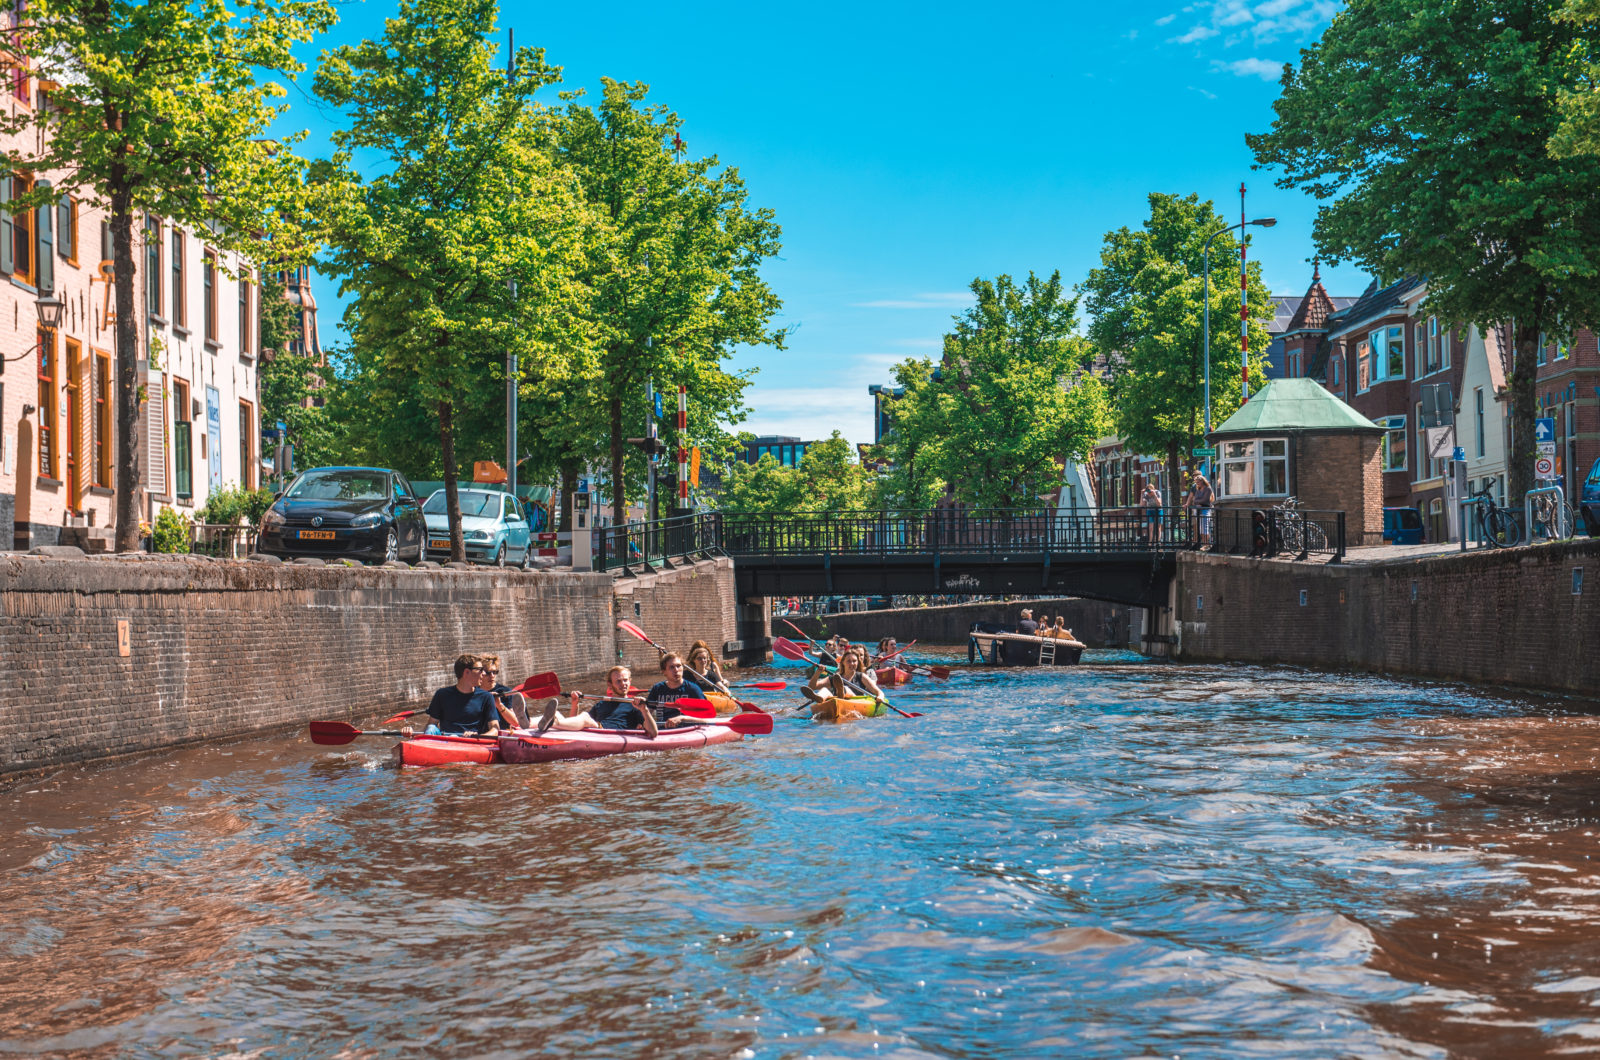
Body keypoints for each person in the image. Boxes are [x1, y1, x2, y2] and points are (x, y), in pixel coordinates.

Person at [539, 665, 658, 738]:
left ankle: (552, 723)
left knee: (585, 717)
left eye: (625, 680)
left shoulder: (635, 705)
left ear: (630, 681)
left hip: (608, 734)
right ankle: (526, 723)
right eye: (618, 681)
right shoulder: (602, 703)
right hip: (596, 731)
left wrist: (645, 710)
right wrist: (575, 703)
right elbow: (574, 725)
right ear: (610, 685)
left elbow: (653, 733)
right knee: (558, 714)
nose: (623, 684)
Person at [409, 655, 500, 737]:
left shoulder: (486, 697)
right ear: (467, 672)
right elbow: (430, 725)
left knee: (452, 736)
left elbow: (495, 730)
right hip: (446, 742)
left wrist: (478, 737)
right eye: (480, 670)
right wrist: (412, 733)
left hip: (471, 743)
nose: (484, 673)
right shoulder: (442, 694)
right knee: (431, 728)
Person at [476, 653, 527, 729]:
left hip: (503, 732)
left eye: (495, 672)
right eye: (488, 673)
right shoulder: (474, 692)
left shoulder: (505, 692)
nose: (492, 676)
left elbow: (515, 722)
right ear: (480, 673)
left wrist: (499, 705)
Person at [1187, 472, 1215, 548]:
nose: (1197, 483)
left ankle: (1207, 544)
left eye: (1198, 482)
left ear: (1202, 481)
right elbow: (1194, 500)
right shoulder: (1198, 489)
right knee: (1200, 528)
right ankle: (1204, 543)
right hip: (1198, 510)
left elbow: (1205, 500)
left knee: (1205, 527)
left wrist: (1197, 502)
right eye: (1196, 482)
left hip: (1205, 509)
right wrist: (1197, 502)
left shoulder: (1207, 489)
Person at [1141, 481, 1163, 545]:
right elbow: (1142, 505)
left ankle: (1158, 542)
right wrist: (1142, 494)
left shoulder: (1157, 492)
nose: (1149, 494)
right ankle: (1150, 542)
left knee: (1158, 527)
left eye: (1150, 492)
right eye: (1148, 492)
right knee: (1151, 527)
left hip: (1158, 510)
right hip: (1150, 510)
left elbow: (1159, 504)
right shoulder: (1146, 494)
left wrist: (1155, 495)